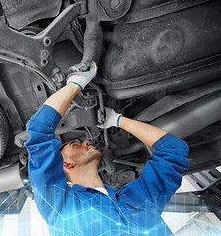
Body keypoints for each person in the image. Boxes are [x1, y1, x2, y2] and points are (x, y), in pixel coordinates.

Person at [24, 61, 189, 236]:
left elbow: (173, 150)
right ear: (67, 164)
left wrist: (117, 120)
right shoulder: (60, 206)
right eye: (75, 145)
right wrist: (74, 85)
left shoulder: (135, 198)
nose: (86, 141)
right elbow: (39, 130)